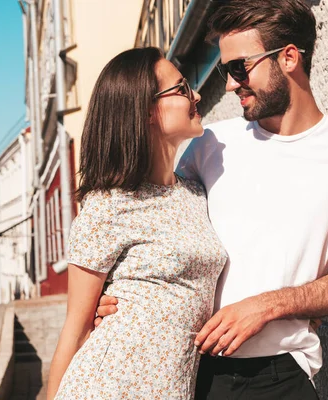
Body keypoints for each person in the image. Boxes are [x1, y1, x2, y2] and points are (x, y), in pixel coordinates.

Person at [95, 1, 328, 398]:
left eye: (238, 68)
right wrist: (115, 292)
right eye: (223, 71)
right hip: (191, 370)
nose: (230, 84)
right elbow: (155, 229)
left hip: (282, 376)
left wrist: (267, 306)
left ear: (288, 57)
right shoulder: (212, 143)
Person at [46, 47, 228, 400]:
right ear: (146, 110)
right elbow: (77, 327)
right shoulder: (109, 205)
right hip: (109, 387)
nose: (197, 94)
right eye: (181, 89)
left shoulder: (194, 192)